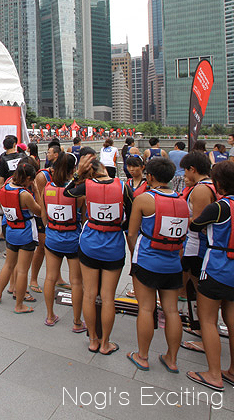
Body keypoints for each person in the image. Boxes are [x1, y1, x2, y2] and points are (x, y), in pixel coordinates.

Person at [186, 161, 234, 391]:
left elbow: (195, 226)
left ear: (219, 184)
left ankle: (213, 374)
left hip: (219, 268)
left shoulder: (219, 208)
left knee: (208, 320)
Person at [126, 157, 188, 373]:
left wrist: (134, 253)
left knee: (146, 308)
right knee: (171, 311)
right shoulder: (182, 201)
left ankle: (142, 356)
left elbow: (132, 233)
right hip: (173, 263)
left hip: (147, 260)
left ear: (149, 176)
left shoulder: (144, 199)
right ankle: (172, 359)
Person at [66, 155, 130, 355]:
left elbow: (67, 192)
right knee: (108, 297)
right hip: (114, 245)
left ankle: (93, 340)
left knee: (89, 294)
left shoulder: (86, 186)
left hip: (90, 243)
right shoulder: (123, 187)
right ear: (104, 167)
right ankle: (105, 343)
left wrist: (77, 175)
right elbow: (131, 213)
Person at [41, 152, 85, 332]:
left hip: (52, 238)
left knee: (50, 277)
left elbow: (43, 215)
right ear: (73, 170)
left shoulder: (47, 189)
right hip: (73, 238)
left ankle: (50, 316)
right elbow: (84, 217)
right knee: (76, 282)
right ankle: (77, 322)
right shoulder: (77, 193)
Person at [0, 160, 43, 313]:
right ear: (28, 178)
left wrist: (6, 209)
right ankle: (19, 305)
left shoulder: (5, 188)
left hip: (11, 230)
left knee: (8, 265)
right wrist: (37, 191)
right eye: (31, 180)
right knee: (22, 270)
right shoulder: (25, 195)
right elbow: (40, 211)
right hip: (25, 232)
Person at [178, 152, 215, 353]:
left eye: (186, 171)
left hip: (197, 246)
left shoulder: (201, 190)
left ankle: (204, 331)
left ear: (193, 169)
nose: (185, 175)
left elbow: (199, 222)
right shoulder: (212, 186)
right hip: (202, 246)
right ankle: (201, 326)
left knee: (200, 290)